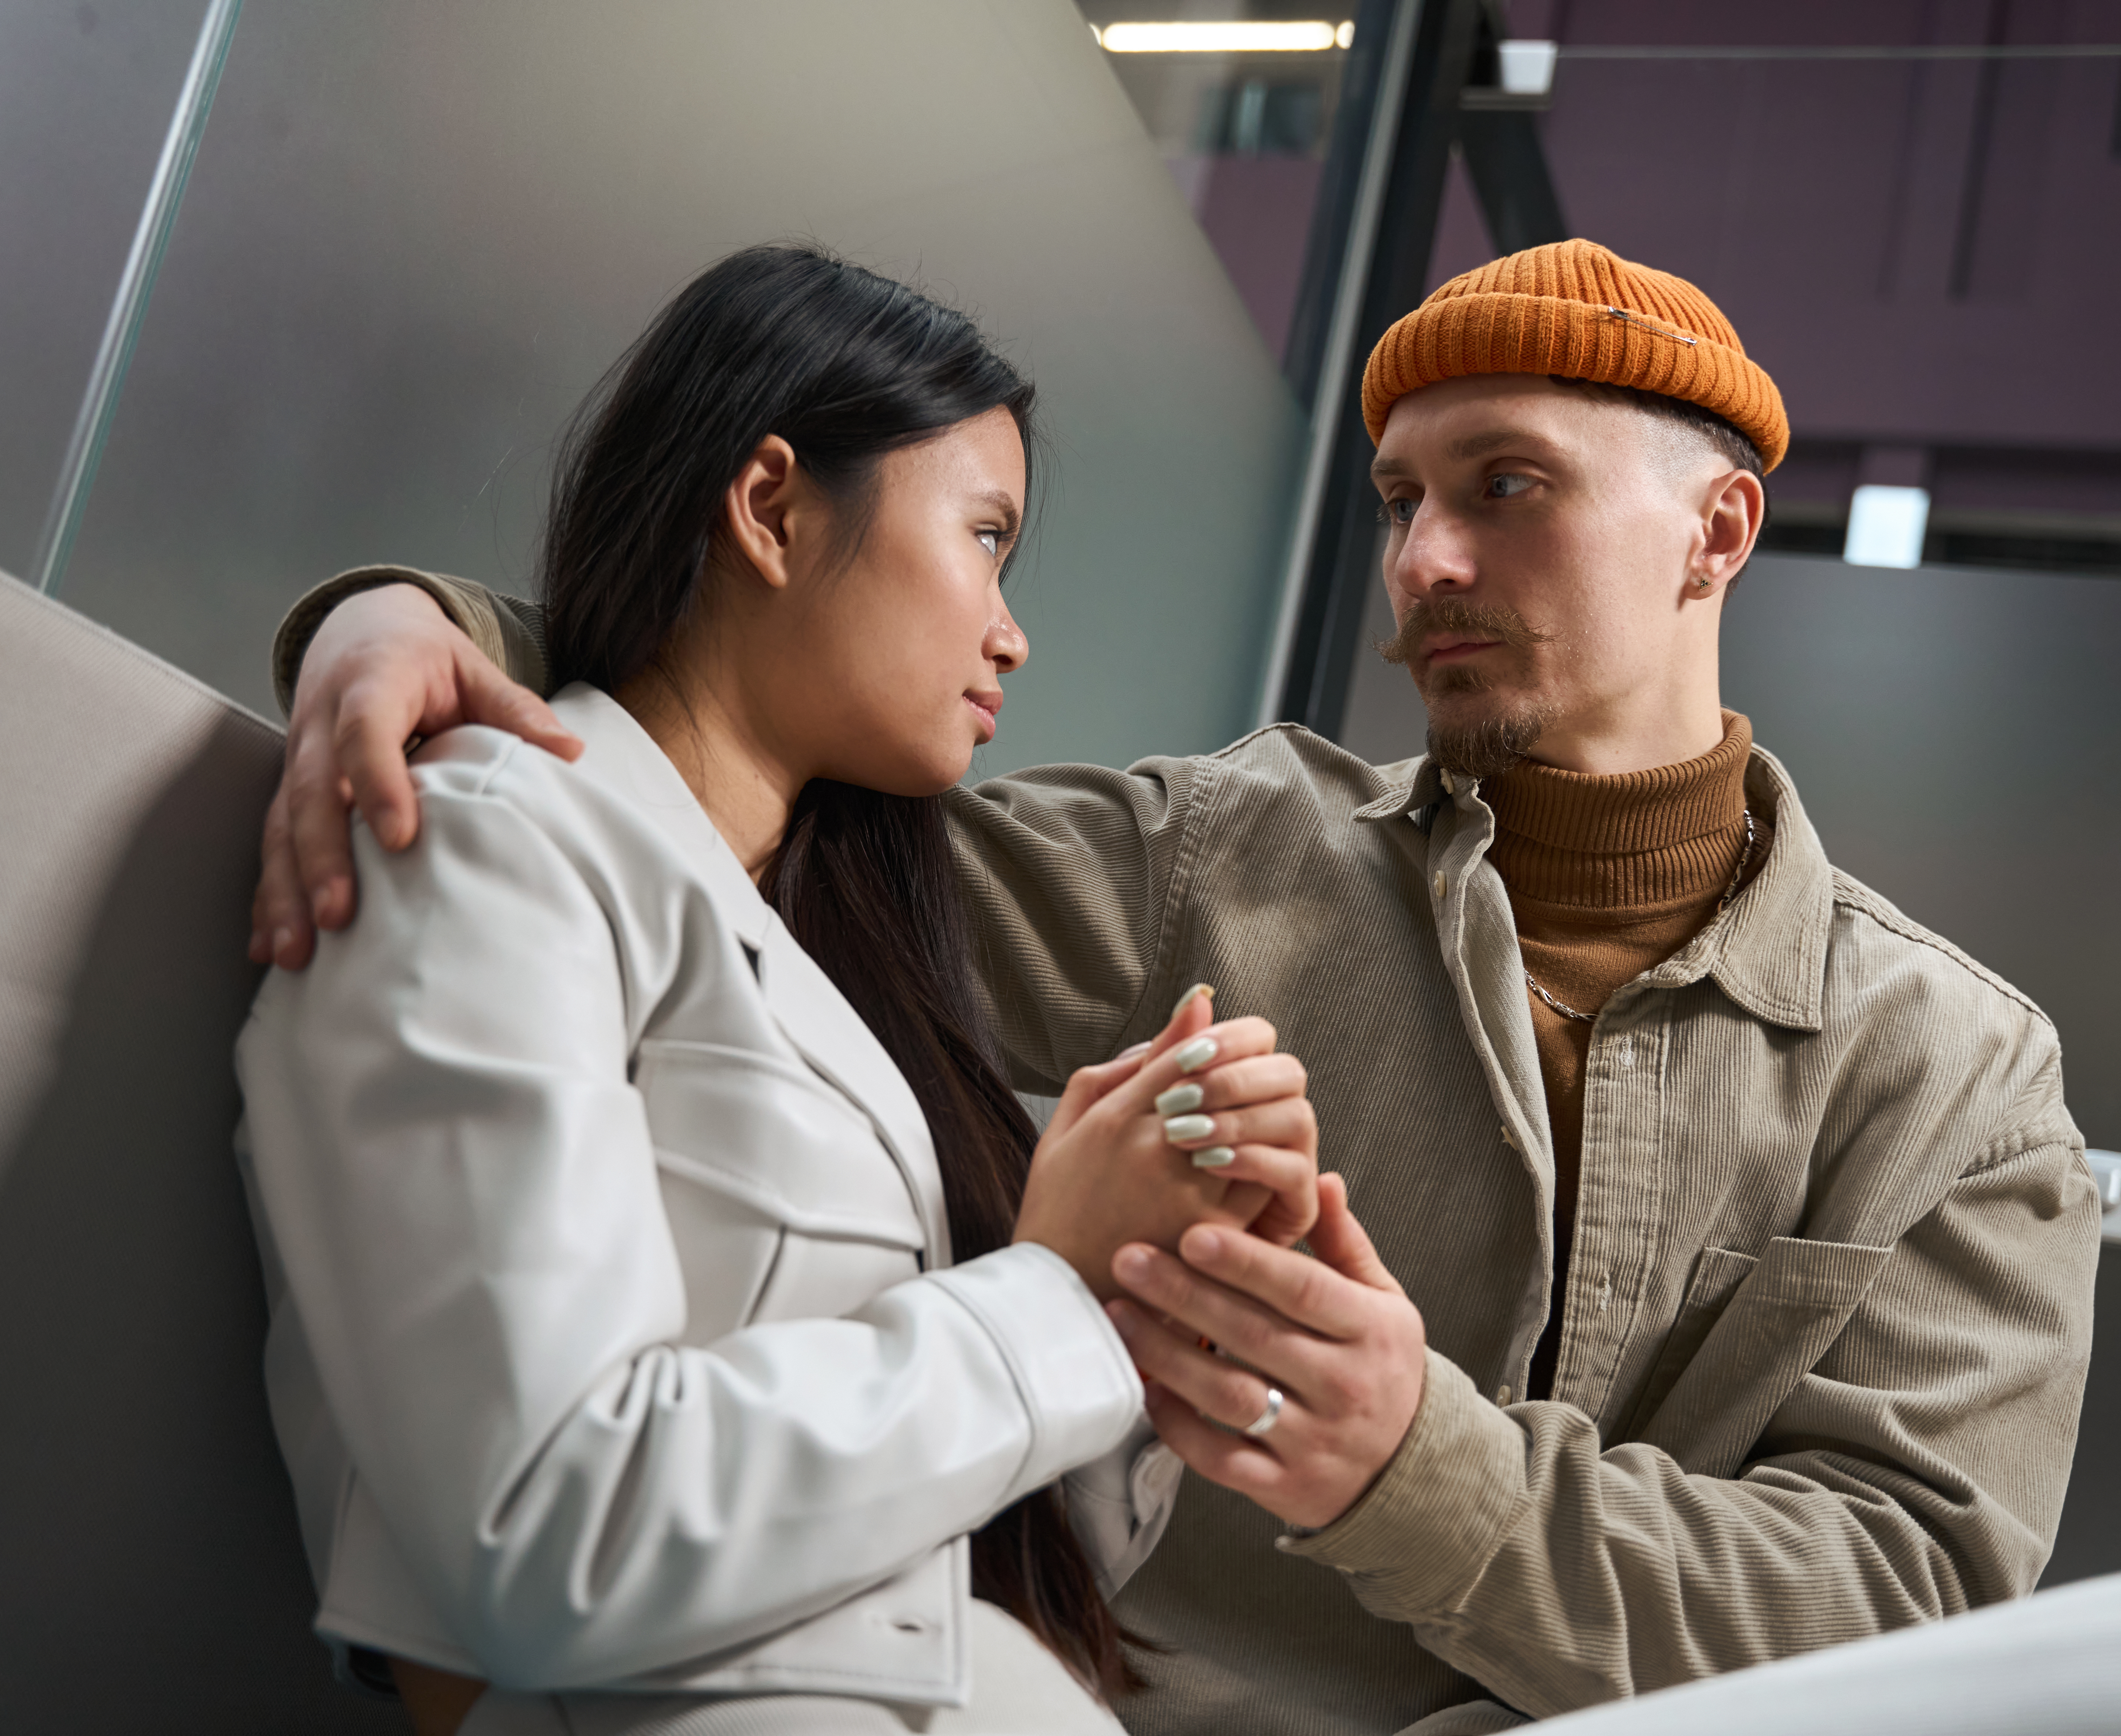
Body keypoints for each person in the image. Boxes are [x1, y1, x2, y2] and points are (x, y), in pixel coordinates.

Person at [252, 241, 2106, 1734]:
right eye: (1400, 500)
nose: (1424, 564)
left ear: (1716, 535)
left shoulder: (1959, 1083)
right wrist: (408, 624)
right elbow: (745, 744)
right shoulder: (1226, 851)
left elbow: (1904, 1625)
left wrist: (1416, 1465)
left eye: (1507, 486)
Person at [234, 244, 1330, 1736]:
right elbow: (558, 1532)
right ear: (768, 506)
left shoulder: (826, 945)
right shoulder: (492, 840)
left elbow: (940, 1572)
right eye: (984, 538)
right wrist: (1051, 1289)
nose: (1013, 633)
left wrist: (1146, 1288)